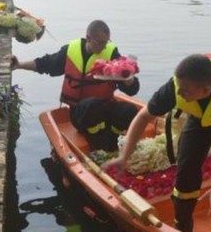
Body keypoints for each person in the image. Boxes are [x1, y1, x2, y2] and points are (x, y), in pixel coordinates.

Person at [104, 54, 211, 232]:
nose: (178, 94)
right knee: (186, 170)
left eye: (184, 91)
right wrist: (124, 156)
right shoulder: (177, 86)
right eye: (179, 87)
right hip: (199, 114)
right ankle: (183, 230)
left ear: (205, 91)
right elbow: (143, 116)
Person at [11, 20, 140, 151]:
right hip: (81, 113)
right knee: (92, 105)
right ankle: (99, 147)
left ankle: (117, 144)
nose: (103, 47)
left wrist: (129, 80)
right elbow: (46, 63)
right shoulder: (71, 51)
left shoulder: (111, 54)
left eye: (105, 42)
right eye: (99, 42)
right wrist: (19, 64)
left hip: (106, 109)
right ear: (88, 38)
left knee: (128, 110)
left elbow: (132, 89)